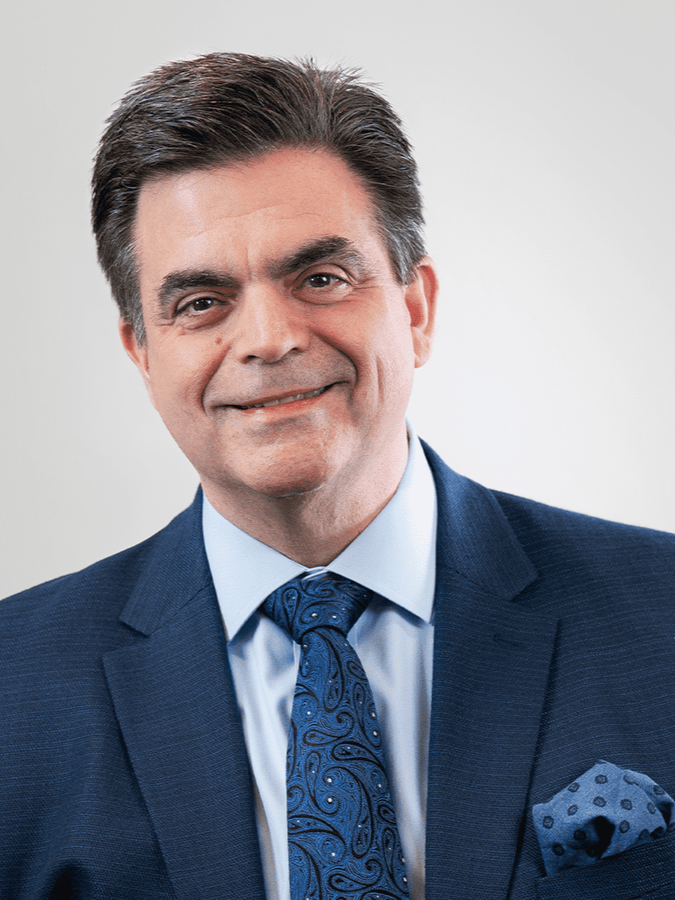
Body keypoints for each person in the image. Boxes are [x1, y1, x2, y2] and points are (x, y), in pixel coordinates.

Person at [1, 52, 674, 900]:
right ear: (142, 350)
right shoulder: (11, 691)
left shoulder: (663, 615)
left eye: (320, 277)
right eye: (201, 302)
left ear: (415, 309)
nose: (269, 340)